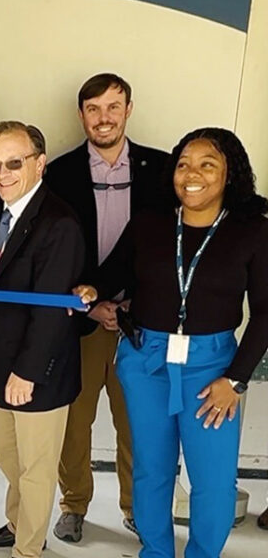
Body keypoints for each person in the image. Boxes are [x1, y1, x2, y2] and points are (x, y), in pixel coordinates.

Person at [76, 127, 268, 558]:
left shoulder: (252, 231)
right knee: (151, 470)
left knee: (213, 478)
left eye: (207, 164)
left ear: (229, 174)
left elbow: (266, 312)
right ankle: (156, 551)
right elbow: (114, 275)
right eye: (183, 164)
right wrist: (91, 291)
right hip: (146, 361)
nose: (192, 174)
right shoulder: (151, 222)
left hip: (213, 369)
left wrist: (235, 380)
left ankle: (202, 553)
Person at [45, 73, 169, 541]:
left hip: (143, 321)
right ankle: (74, 505)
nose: (104, 118)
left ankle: (137, 507)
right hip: (81, 321)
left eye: (113, 107)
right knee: (74, 422)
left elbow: (169, 246)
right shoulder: (58, 172)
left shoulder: (162, 169)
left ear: (129, 109)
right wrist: (89, 307)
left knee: (138, 423)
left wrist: (138, 301)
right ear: (81, 115)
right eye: (94, 109)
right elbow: (51, 251)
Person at [0, 121, 85, 558]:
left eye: (14, 163)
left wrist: (27, 372)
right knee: (13, 462)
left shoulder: (58, 223)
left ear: (40, 163)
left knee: (36, 470)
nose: (3, 174)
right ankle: (19, 526)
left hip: (36, 374)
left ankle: (29, 549)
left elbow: (52, 311)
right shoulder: (3, 214)